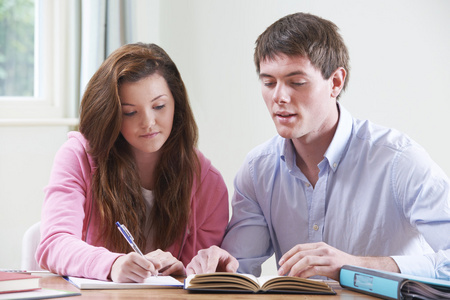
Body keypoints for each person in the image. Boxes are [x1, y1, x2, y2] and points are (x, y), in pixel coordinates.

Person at [186, 12, 450, 281]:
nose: (279, 97)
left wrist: (354, 265)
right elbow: (238, 270)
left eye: (296, 82)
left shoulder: (398, 160)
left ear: (335, 82)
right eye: (268, 83)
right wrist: (214, 268)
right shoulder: (257, 170)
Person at [36, 43, 229, 282]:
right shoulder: (78, 157)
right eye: (130, 112)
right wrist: (113, 264)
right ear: (110, 114)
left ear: (176, 105)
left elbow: (198, 277)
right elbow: (54, 244)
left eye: (159, 106)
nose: (148, 122)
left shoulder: (207, 182)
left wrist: (182, 269)